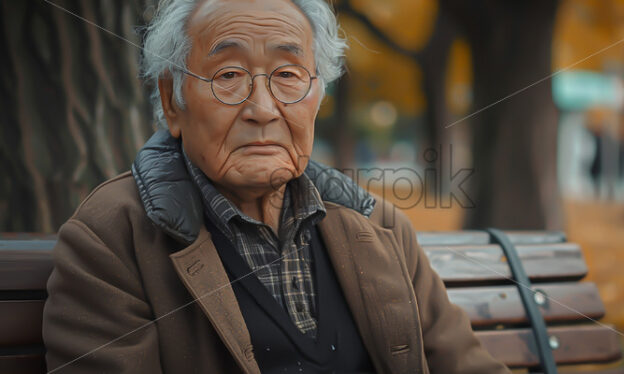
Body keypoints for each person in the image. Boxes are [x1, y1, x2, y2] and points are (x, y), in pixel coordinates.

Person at [42, 0, 509, 373]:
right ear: (172, 101)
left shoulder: (379, 226)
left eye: (287, 76)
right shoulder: (112, 238)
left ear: (317, 97)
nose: (262, 108)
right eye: (228, 76)